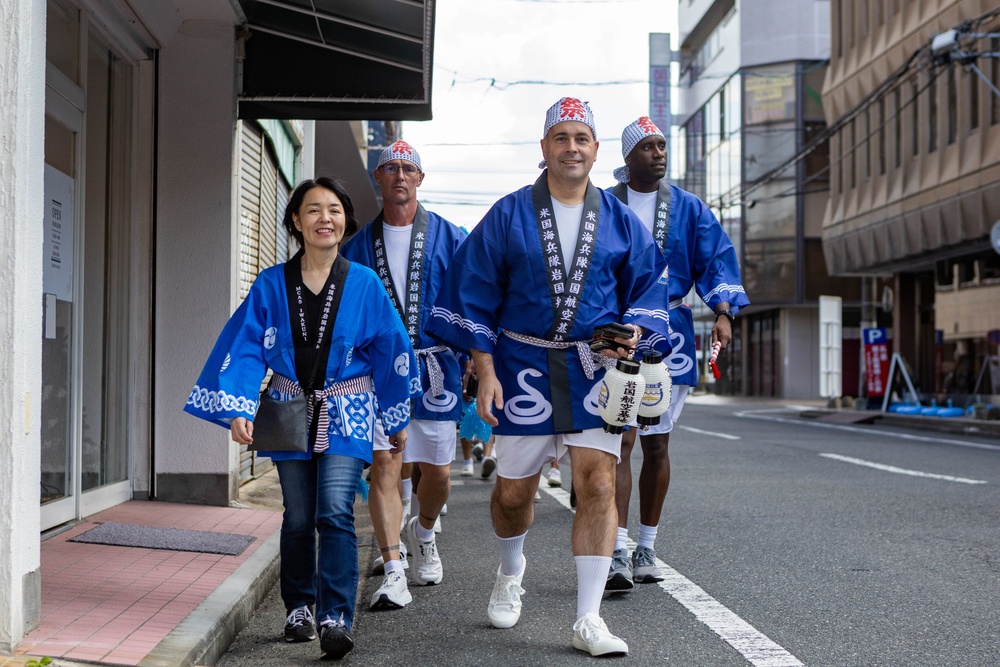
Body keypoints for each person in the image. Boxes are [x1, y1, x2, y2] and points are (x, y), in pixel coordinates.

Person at [427, 98, 672, 657]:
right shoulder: (509, 214)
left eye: (581, 137)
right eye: (560, 137)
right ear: (544, 149)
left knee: (599, 484)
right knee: (514, 495)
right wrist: (484, 370)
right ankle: (512, 568)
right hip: (523, 368)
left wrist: (633, 330)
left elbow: (649, 289)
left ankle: (588, 618)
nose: (571, 147)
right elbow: (473, 293)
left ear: (595, 149)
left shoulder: (618, 220)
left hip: (594, 369)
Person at [184, 177, 414, 661]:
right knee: (298, 516)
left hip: (346, 407)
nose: (324, 218)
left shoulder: (365, 283)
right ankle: (299, 608)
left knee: (333, 510)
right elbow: (244, 347)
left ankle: (335, 617)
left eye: (333, 209)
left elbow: (392, 348)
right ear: (296, 221)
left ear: (345, 221)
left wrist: (394, 415)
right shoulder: (271, 283)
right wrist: (240, 407)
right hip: (288, 407)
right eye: (313, 210)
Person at [605, 117, 749, 590]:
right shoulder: (603, 204)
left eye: (662, 145)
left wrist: (724, 312)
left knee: (657, 443)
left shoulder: (688, 208)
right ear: (628, 158)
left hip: (672, 331)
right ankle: (617, 549)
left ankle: (647, 544)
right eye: (648, 146)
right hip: (619, 331)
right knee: (620, 441)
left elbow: (714, 259)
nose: (658, 153)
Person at [342, 140, 467, 602]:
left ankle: (425, 532)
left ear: (419, 179)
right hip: (379, 374)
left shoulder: (452, 238)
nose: (398, 174)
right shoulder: (355, 248)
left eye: (407, 168)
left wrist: (476, 354)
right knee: (385, 464)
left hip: (437, 366)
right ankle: (393, 566)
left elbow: (471, 298)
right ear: (377, 178)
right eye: (389, 167)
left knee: (436, 474)